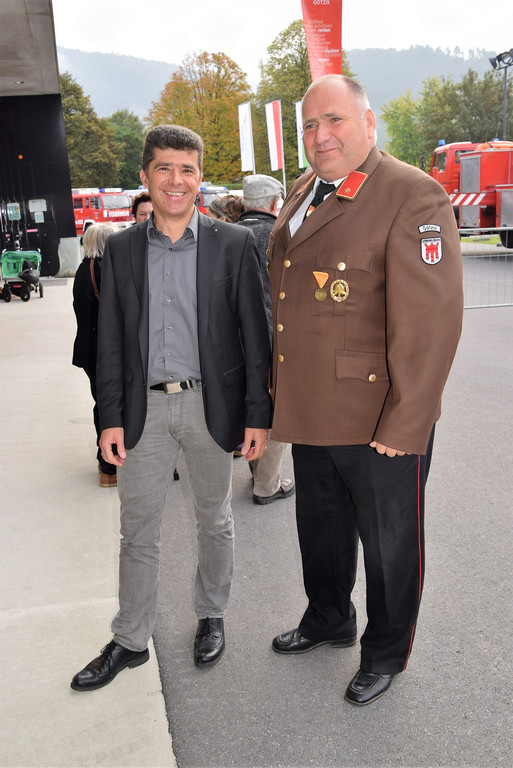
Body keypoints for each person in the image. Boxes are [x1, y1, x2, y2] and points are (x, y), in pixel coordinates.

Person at [267, 75, 463, 706]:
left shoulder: (411, 193)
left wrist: (407, 423)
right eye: (309, 125)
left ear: (369, 121)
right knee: (320, 530)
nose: (320, 135)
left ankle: (384, 652)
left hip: (380, 417)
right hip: (312, 407)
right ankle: (329, 617)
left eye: (335, 120)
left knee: (388, 545)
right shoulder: (305, 190)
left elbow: (431, 324)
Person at [70, 124, 271, 691]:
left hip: (212, 405)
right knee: (137, 531)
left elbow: (256, 337)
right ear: (145, 176)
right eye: (164, 168)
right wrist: (110, 417)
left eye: (187, 169)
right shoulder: (122, 249)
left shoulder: (234, 244)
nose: (176, 180)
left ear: (200, 177)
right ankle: (131, 639)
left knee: (215, 519)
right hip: (144, 413)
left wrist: (258, 415)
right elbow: (110, 342)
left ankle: (211, 615)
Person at [238, 174, 295, 505]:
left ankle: (256, 471)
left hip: (236, 342)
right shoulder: (279, 234)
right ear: (275, 201)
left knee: (252, 407)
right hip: (275, 340)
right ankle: (267, 485)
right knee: (276, 414)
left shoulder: (228, 234)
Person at [72, 223, 119, 487]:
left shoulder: (83, 269)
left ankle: (106, 464)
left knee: (101, 402)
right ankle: (109, 465)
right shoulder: (104, 270)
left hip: (89, 350)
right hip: (106, 351)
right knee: (111, 405)